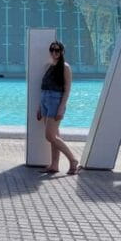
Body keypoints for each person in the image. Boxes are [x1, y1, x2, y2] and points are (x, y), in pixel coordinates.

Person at [36, 41, 79, 175]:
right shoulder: (49, 66)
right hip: (45, 100)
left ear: (62, 52)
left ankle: (73, 160)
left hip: (55, 101)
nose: (54, 53)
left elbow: (67, 89)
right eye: (52, 50)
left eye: (57, 50)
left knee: (50, 136)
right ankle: (54, 165)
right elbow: (43, 88)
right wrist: (39, 107)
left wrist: (61, 108)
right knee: (54, 136)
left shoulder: (65, 67)